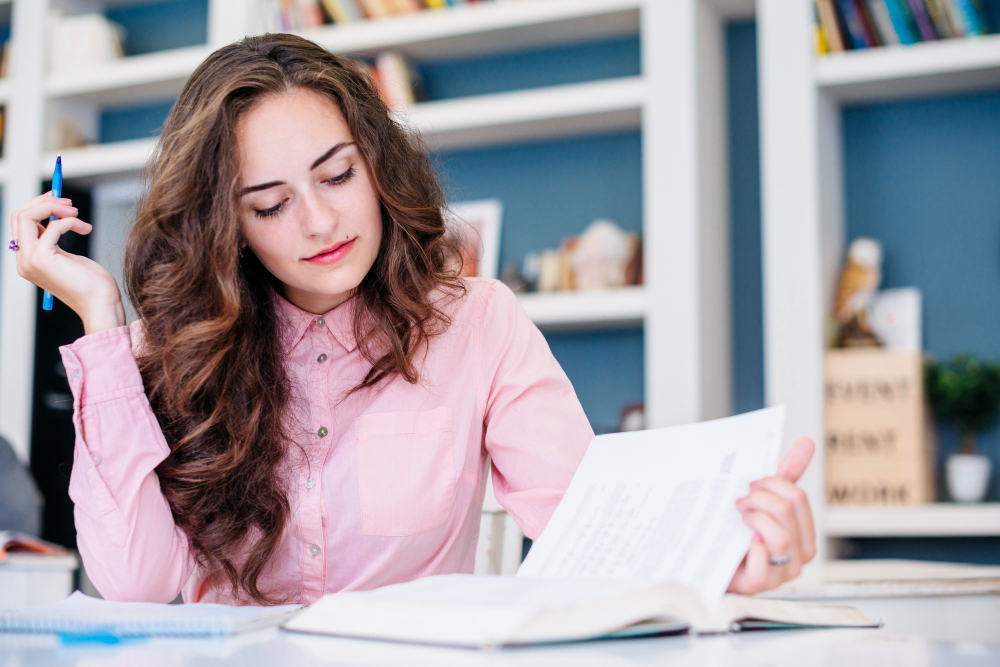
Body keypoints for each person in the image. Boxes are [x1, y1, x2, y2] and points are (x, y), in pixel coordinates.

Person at [8, 34, 816, 605]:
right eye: (271, 203)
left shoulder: (478, 324)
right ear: (230, 226)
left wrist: (724, 563)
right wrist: (100, 318)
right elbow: (137, 585)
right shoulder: (171, 352)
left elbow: (586, 531)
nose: (320, 222)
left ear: (375, 163)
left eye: (337, 175)